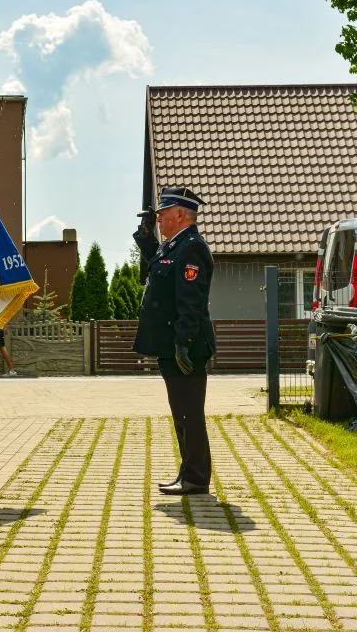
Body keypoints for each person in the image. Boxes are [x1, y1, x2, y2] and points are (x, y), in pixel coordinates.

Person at [133, 186, 215, 496]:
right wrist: (145, 240)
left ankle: (195, 477)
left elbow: (190, 301)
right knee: (181, 411)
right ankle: (190, 473)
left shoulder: (191, 248)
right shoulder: (174, 246)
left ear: (180, 214)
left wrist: (184, 342)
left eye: (162, 214)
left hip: (187, 346)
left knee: (189, 412)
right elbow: (159, 267)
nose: (159, 220)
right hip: (175, 345)